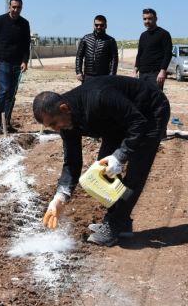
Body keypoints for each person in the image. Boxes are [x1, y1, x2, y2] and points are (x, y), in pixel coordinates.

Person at [33, 75, 170, 247]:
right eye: (50, 127)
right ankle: (121, 223)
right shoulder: (65, 120)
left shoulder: (98, 97)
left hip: (149, 112)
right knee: (103, 173)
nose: (55, 129)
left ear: (64, 108)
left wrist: (120, 155)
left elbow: (138, 123)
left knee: (135, 173)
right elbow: (72, 161)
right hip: (116, 122)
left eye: (54, 124)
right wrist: (60, 197)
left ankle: (114, 226)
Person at [0, 0, 31, 134]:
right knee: (4, 90)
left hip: (17, 64)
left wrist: (25, 61)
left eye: (18, 7)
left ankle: (6, 123)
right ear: (9, 7)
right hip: (3, 61)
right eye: (13, 7)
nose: (15, 9)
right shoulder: (0, 20)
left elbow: (26, 45)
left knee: (12, 94)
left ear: (21, 8)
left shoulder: (24, 24)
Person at [134, 8, 173, 90]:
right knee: (142, 99)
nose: (147, 21)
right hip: (142, 73)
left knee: (155, 100)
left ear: (156, 19)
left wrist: (162, 72)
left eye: (149, 18)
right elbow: (140, 54)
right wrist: (135, 71)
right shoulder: (143, 35)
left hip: (156, 74)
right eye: (144, 19)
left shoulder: (164, 34)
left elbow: (168, 54)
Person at [74, 15, 119, 82]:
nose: (99, 27)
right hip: (88, 77)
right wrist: (78, 72)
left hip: (103, 77)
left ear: (106, 26)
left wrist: (112, 75)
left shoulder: (110, 41)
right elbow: (79, 56)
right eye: (96, 25)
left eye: (101, 25)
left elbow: (114, 59)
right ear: (93, 25)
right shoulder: (86, 39)